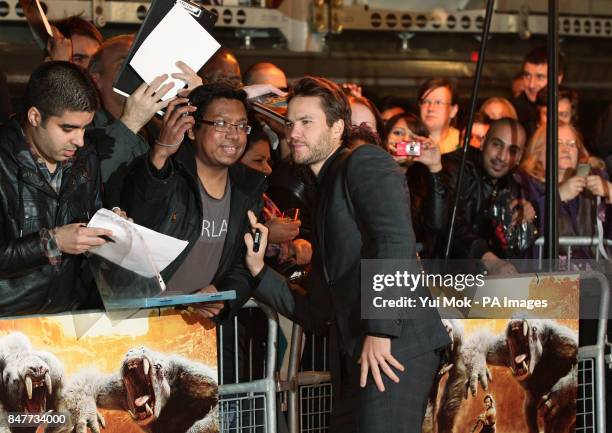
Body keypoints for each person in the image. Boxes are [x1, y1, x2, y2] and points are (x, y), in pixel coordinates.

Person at [243, 76, 449, 433]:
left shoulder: (364, 161)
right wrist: (260, 273)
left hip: (393, 347)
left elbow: (394, 241)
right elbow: (317, 308)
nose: (294, 132)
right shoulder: (323, 190)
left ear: (338, 127)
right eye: (291, 122)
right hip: (360, 352)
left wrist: (380, 331)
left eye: (308, 122)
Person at [121, 82, 265, 321]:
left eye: (241, 125)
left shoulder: (249, 186)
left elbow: (246, 264)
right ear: (191, 130)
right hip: (143, 318)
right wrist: (161, 153)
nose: (233, 134)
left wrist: (221, 294)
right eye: (220, 123)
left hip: (200, 326)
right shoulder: (163, 172)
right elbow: (138, 219)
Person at [0, 61, 114, 316]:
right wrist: (52, 242)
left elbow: (89, 221)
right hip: (8, 322)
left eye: (84, 127)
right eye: (68, 128)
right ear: (35, 117)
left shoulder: (86, 158)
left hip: (68, 318)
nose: (79, 140)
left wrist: (111, 227)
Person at [443, 118, 536, 272]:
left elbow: (516, 246)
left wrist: (527, 219)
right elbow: (451, 222)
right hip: (444, 277)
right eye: (497, 144)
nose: (502, 156)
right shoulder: (456, 169)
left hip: (484, 282)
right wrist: (488, 259)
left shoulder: (515, 185)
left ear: (520, 156)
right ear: (483, 142)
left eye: (512, 151)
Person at [519, 124, 612, 257]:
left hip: (593, 274)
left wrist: (610, 193)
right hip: (547, 274)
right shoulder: (526, 185)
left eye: (571, 144)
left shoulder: (594, 182)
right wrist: (558, 196)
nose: (565, 149)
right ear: (539, 153)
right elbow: (522, 236)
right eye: (558, 143)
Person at [511, 46, 564, 137]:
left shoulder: (569, 108)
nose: (531, 84)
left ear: (558, 79)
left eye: (540, 77)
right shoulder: (512, 111)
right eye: (527, 76)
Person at [418, 78, 460, 155]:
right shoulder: (409, 141)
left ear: (453, 110)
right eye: (426, 102)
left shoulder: (462, 143)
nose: (430, 108)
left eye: (438, 102)